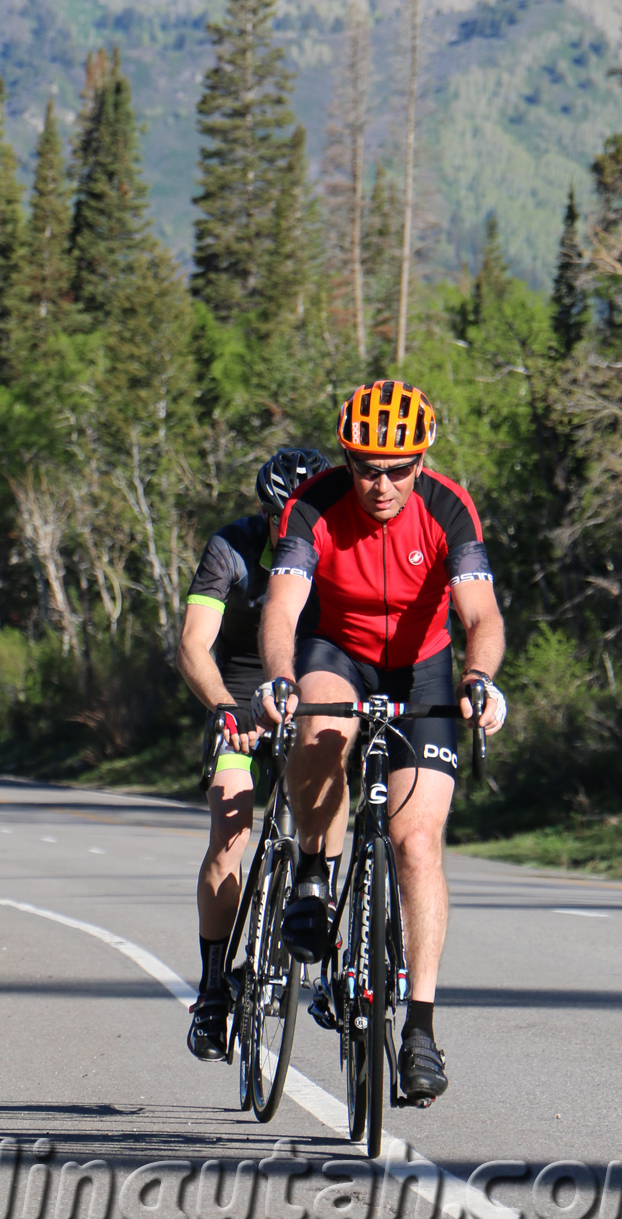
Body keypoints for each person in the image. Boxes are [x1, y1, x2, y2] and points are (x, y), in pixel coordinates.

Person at [255, 379, 507, 1105]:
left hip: (425, 667)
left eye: (400, 468)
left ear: (422, 461)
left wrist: (481, 678)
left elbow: (480, 614)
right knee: (320, 723)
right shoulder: (312, 506)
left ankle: (420, 1029)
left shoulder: (449, 507)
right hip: (340, 652)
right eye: (369, 467)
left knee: (417, 843)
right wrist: (279, 677)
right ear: (346, 459)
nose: (384, 484)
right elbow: (283, 607)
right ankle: (311, 873)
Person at [177, 445, 330, 1061]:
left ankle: (338, 967)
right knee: (230, 832)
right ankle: (214, 993)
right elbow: (193, 643)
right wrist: (223, 707)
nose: (287, 528)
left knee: (332, 815)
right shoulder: (231, 549)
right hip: (241, 695)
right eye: (278, 516)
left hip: (311, 688)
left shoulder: (338, 548)